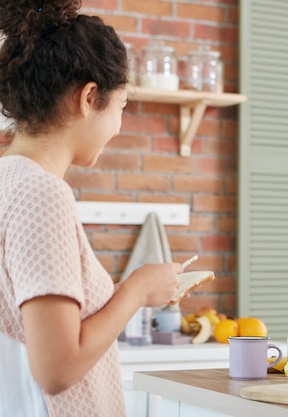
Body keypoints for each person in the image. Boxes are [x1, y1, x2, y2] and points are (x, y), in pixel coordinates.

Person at [0, 1, 182, 416]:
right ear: (88, 97)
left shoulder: (8, 181)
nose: (118, 126)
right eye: (121, 108)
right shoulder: (40, 195)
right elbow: (57, 368)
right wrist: (136, 290)